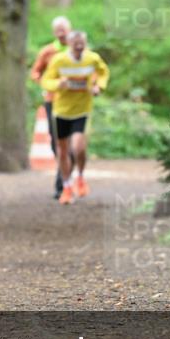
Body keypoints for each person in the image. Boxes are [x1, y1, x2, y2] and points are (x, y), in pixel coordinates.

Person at [40, 30, 109, 205]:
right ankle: (67, 187)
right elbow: (46, 81)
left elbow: (103, 72)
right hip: (62, 111)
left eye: (82, 43)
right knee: (62, 150)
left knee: (78, 147)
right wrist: (58, 84)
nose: (79, 46)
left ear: (85, 43)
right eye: (76, 43)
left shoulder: (92, 58)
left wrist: (98, 87)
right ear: (69, 44)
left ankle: (80, 176)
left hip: (82, 110)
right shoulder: (59, 60)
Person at [30, 16, 72, 198]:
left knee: (72, 143)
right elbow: (35, 72)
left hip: (74, 102)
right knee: (57, 142)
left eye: (64, 29)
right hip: (53, 101)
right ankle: (65, 179)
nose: (62, 33)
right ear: (55, 33)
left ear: (70, 30)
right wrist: (47, 85)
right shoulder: (48, 52)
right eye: (58, 30)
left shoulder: (78, 50)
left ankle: (63, 184)